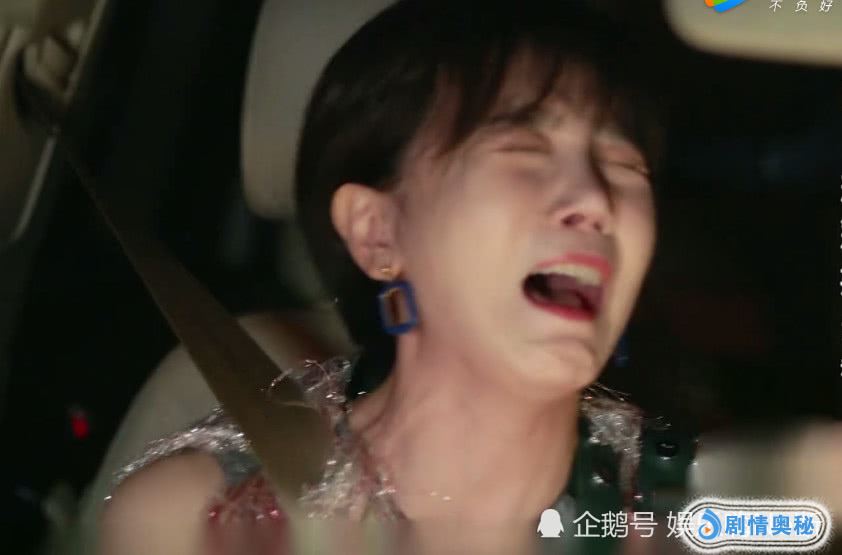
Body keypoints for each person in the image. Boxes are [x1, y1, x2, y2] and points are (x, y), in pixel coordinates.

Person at [99, 1, 667, 553]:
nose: (596, 201)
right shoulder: (194, 522)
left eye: (625, 165)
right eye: (524, 149)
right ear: (377, 233)